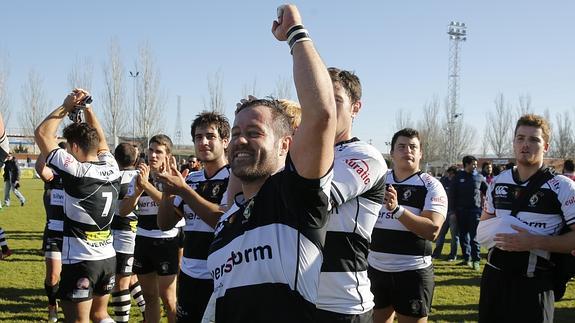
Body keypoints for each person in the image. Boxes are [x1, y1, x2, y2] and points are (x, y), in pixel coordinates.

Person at [204, 5, 336, 322]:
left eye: (254, 132)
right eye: (235, 133)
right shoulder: (230, 216)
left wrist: (295, 32)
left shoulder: (294, 196)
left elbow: (321, 115)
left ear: (284, 145)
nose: (240, 140)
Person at [477, 114, 575, 323]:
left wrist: (534, 241)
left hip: (535, 284)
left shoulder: (563, 186)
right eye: (520, 138)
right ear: (513, 143)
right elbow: (484, 226)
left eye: (534, 140)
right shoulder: (499, 181)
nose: (525, 145)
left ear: (546, 146)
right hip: (494, 280)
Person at [34, 88, 120, 323]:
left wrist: (66, 106)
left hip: (81, 261)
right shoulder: (112, 166)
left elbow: (42, 133)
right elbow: (101, 140)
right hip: (108, 258)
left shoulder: (77, 171)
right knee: (101, 315)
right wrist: (88, 108)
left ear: (73, 147)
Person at [313, 67, 387, 323]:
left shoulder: (364, 155)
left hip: (341, 305)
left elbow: (315, 201)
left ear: (356, 108)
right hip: (296, 297)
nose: (324, 107)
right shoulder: (300, 153)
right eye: (318, 97)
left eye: (335, 100)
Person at [157, 111, 230, 322]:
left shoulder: (234, 177)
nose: (204, 142)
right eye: (198, 137)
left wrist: (184, 191)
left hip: (219, 277)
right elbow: (165, 223)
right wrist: (168, 190)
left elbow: (221, 221)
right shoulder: (192, 179)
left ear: (225, 142)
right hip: (189, 275)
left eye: (210, 136)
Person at [368, 128, 447, 323]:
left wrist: (397, 211)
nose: (408, 151)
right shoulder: (376, 180)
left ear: (421, 153)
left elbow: (432, 230)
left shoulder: (431, 185)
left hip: (412, 273)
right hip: (375, 269)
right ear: (392, 153)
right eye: (401, 147)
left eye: (413, 147)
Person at [120, 134, 182, 323]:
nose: (153, 155)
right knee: (149, 298)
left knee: (169, 300)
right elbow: (123, 211)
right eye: (151, 150)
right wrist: (138, 191)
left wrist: (146, 185)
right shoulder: (139, 177)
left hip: (167, 241)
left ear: (167, 155)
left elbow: (174, 210)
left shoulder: (173, 178)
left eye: (159, 152)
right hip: (143, 240)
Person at [109, 143, 147, 323]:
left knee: (120, 283)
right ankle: (147, 311)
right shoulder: (144, 177)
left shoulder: (113, 178)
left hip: (123, 235)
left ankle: (122, 321)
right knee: (131, 278)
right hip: (141, 234)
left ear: (116, 159)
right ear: (135, 159)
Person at [35, 142, 67, 323]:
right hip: (55, 230)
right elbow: (40, 168)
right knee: (53, 275)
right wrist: (45, 146)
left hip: (74, 232)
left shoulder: (77, 174)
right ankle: (52, 306)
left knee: (70, 276)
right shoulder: (55, 176)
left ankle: (70, 307)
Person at [450, 155, 487, 270]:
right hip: (460, 212)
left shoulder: (479, 177)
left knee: (474, 237)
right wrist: (452, 211)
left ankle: (476, 260)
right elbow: (452, 195)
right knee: (463, 236)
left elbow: (488, 192)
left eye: (476, 164)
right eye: (473, 164)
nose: (476, 166)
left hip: (474, 212)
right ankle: (467, 259)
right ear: (466, 164)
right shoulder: (458, 177)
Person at [432, 165, 459, 261]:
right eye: (449, 173)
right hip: (443, 211)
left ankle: (453, 255)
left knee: (454, 236)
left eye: (452, 174)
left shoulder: (458, 182)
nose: (450, 176)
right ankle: (436, 253)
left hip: (454, 213)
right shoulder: (444, 180)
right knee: (440, 234)